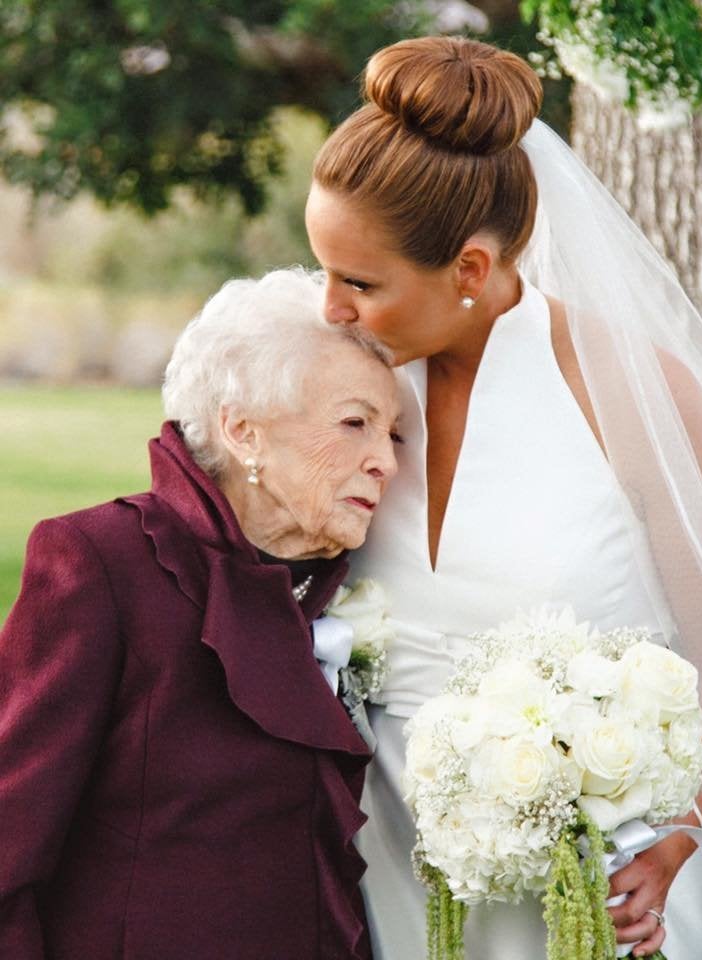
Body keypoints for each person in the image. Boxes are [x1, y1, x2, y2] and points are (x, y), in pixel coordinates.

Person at [304, 35, 702, 960]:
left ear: (468, 271)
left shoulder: (636, 398)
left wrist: (682, 835)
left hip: (600, 904)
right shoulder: (345, 390)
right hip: (388, 882)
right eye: (324, 270)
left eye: (359, 283)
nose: (327, 308)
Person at [0, 267, 402, 960]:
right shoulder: (101, 563)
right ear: (243, 430)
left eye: (393, 433)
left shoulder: (339, 586)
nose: (385, 463)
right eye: (354, 423)